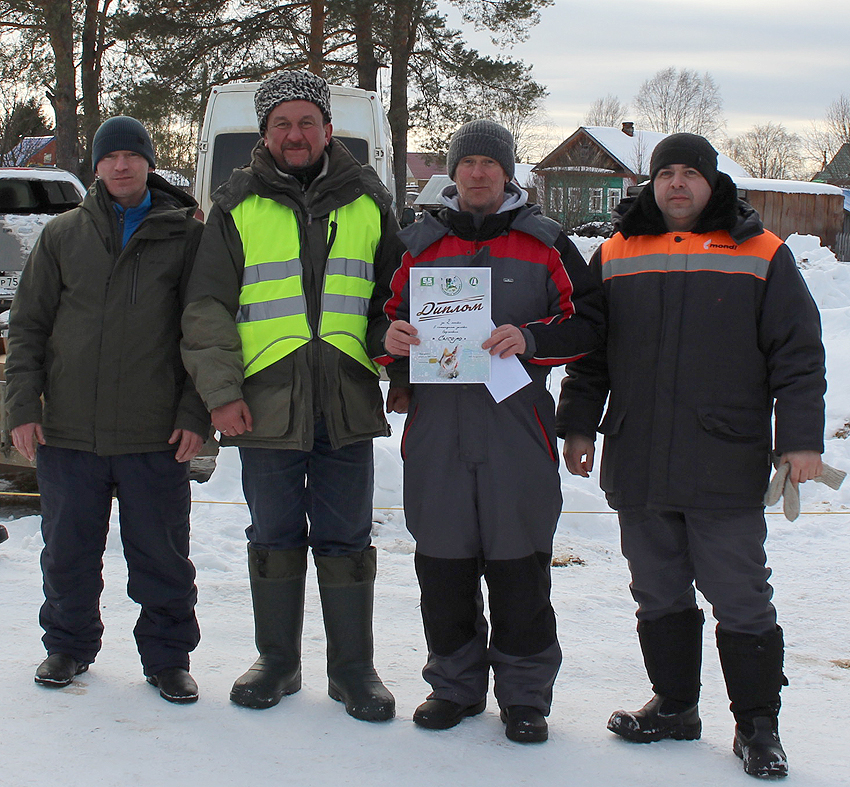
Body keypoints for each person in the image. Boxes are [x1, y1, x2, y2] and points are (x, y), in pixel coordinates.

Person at [556, 133, 826, 778]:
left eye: (690, 174)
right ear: (651, 184)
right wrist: (578, 426)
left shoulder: (761, 252)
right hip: (639, 452)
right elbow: (592, 353)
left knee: (739, 594)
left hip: (723, 455)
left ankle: (758, 725)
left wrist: (800, 440)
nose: (677, 184)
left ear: (712, 183)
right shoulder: (618, 253)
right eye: (665, 173)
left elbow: (798, 354)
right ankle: (675, 707)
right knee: (656, 590)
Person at [373, 119, 605, 742]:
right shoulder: (415, 243)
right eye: (467, 162)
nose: (478, 173)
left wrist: (530, 338)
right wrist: (388, 344)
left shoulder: (547, 242)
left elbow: (588, 323)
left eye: (490, 164)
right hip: (436, 433)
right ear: (453, 171)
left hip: (517, 430)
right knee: (442, 565)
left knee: (519, 565)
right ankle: (454, 687)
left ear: (508, 173)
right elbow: (378, 318)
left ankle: (525, 697)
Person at [180, 70, 398, 722]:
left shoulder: (368, 200)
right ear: (265, 133)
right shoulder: (236, 204)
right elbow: (206, 309)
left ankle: (352, 669)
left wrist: (400, 350)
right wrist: (220, 395)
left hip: (347, 402)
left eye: (306, 122)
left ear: (328, 130)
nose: (295, 134)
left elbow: (393, 301)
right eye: (282, 124)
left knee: (347, 536)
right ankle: (278, 660)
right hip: (264, 403)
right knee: (272, 534)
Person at [5, 116, 207, 703]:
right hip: (68, 432)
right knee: (67, 550)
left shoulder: (185, 237)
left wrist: (195, 414)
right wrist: (22, 407)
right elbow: (29, 329)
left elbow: (205, 333)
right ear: (96, 166)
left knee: (163, 556)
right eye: (110, 157)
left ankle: (168, 658)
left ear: (149, 163)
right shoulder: (63, 235)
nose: (122, 166)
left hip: (156, 435)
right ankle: (67, 646)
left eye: (133, 156)